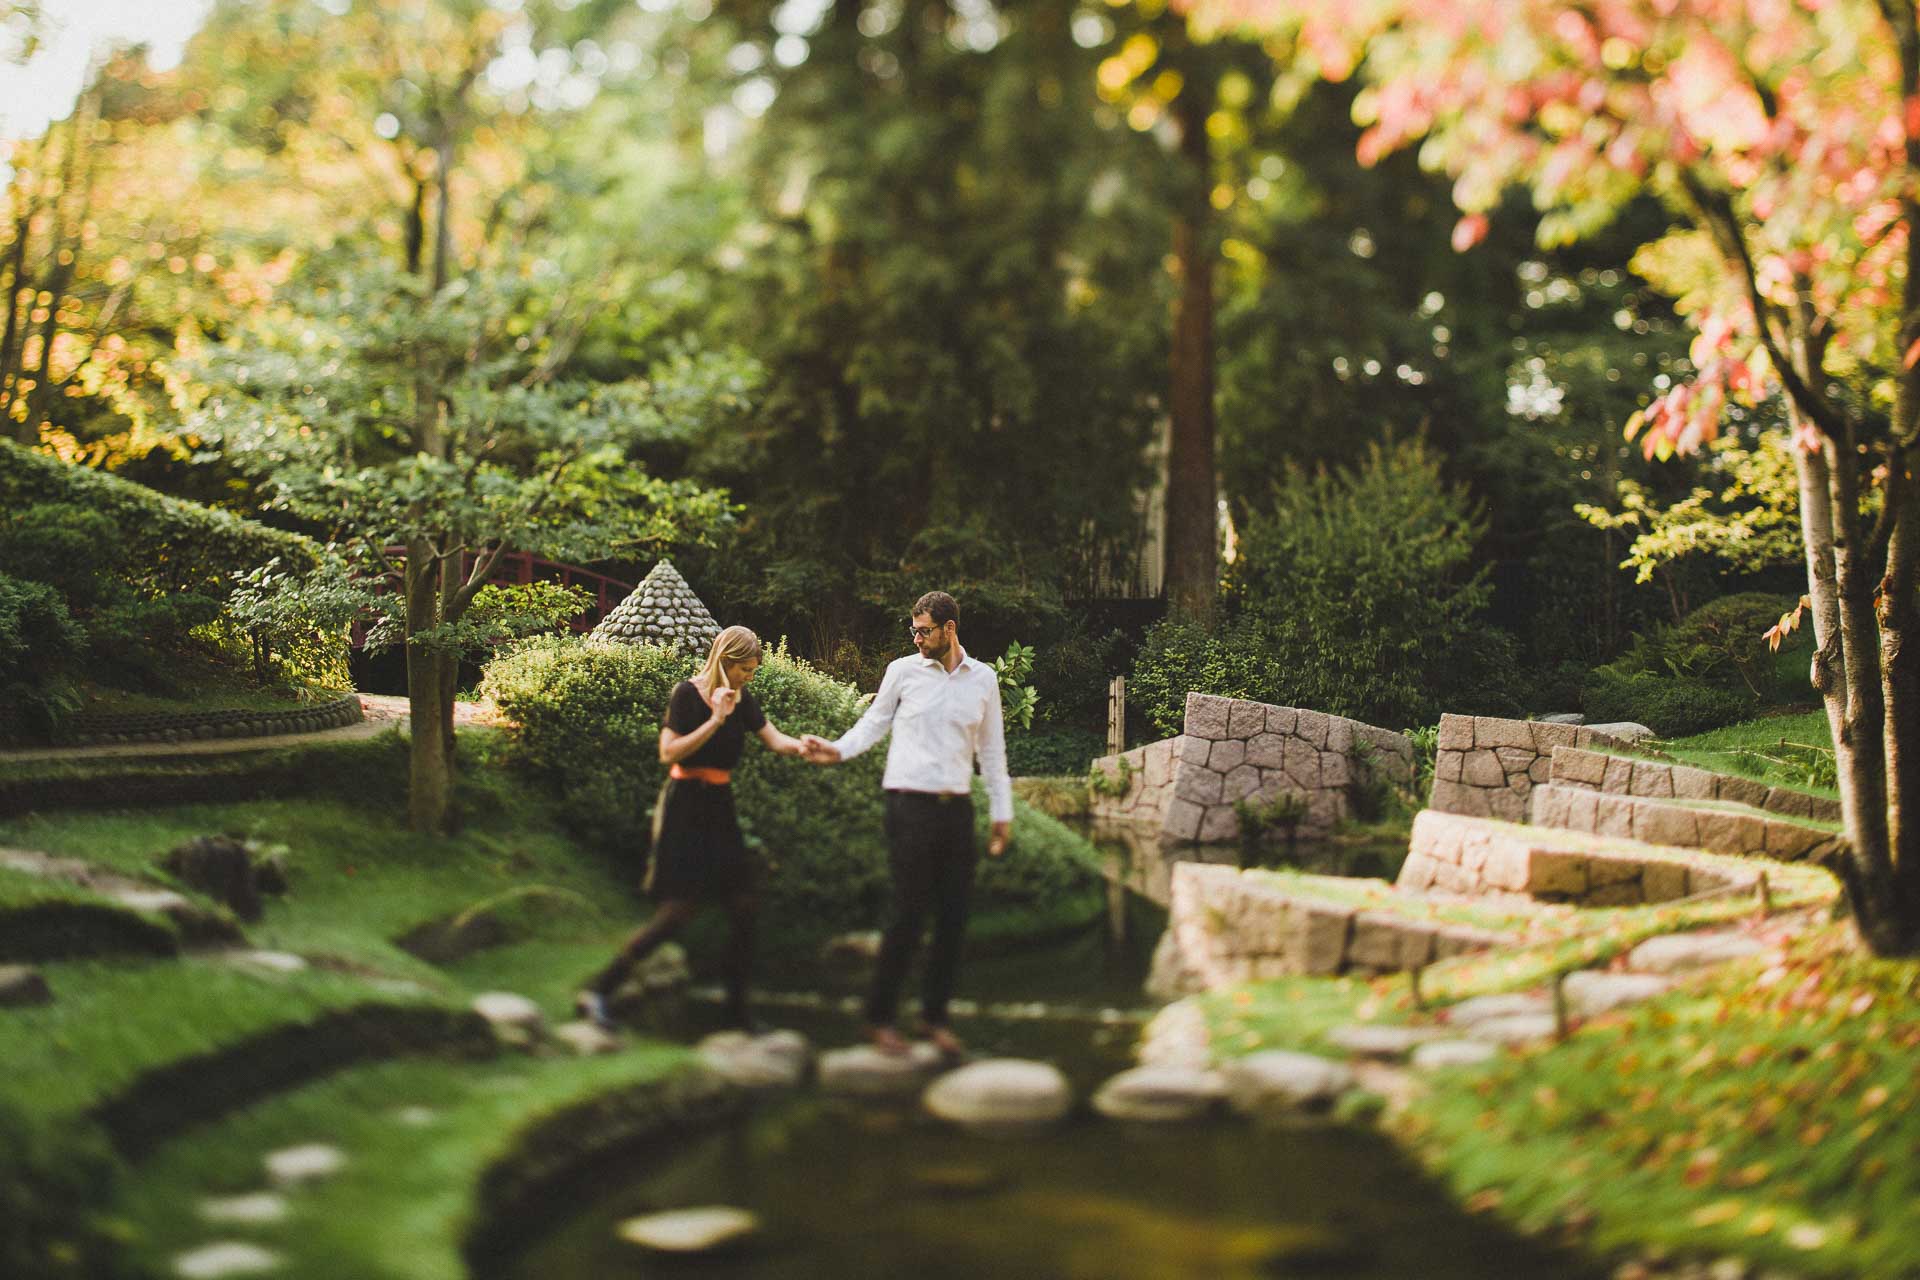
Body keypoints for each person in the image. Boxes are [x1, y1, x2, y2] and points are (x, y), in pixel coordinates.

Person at [801, 590, 1011, 1058]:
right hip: (908, 804)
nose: (916, 638)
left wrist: (1002, 813)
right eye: (913, 630)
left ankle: (933, 1018)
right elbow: (873, 723)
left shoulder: (984, 679)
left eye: (924, 630)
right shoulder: (902, 671)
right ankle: (878, 1018)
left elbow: (992, 751)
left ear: (949, 629)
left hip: (956, 808)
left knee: (954, 918)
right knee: (909, 913)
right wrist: (837, 749)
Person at [576, 625, 807, 1033]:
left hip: (720, 807)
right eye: (745, 670)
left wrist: (810, 747)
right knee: (677, 912)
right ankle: (599, 992)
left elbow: (774, 740)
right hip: (685, 805)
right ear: (726, 661)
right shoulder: (687, 694)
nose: (749, 677)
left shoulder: (743, 698)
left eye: (753, 671)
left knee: (744, 906)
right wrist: (716, 720)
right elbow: (669, 752)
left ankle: (737, 1015)